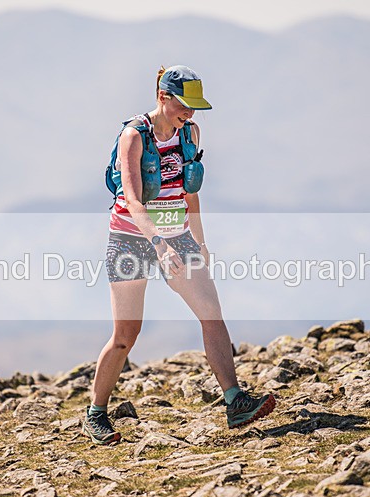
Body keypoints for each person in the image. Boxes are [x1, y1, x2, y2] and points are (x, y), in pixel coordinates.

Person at [82, 65, 276, 445]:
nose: (190, 113)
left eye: (195, 107)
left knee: (211, 314)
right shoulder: (134, 137)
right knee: (126, 335)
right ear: (162, 97)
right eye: (184, 105)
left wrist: (199, 244)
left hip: (179, 236)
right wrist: (158, 243)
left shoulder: (191, 133)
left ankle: (235, 401)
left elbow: (191, 194)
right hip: (133, 240)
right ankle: (95, 413)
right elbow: (134, 202)